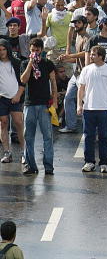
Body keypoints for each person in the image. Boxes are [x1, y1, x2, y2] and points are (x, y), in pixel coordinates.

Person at [77, 45, 107, 173]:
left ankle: (103, 163)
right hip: (88, 108)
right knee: (88, 136)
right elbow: (81, 88)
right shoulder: (86, 70)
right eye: (91, 54)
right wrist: (79, 105)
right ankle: (89, 162)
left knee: (104, 137)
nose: (91, 56)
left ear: (101, 56)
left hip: (104, 109)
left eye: (93, 54)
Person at [20, 38, 58, 175]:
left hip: (44, 105)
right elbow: (23, 80)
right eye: (32, 51)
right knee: (28, 136)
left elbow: (53, 81)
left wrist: (54, 100)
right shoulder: (25, 63)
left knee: (47, 136)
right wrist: (30, 63)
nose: (34, 53)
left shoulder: (47, 63)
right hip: (29, 104)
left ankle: (48, 166)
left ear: (41, 50)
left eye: (37, 50)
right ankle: (30, 165)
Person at [0, 39, 25, 164]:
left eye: (4, 49)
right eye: (0, 50)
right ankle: (7, 152)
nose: (2, 52)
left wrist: (18, 95)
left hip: (15, 97)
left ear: (8, 49)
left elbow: (23, 82)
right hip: (2, 99)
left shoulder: (16, 63)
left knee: (18, 123)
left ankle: (24, 152)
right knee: (3, 124)